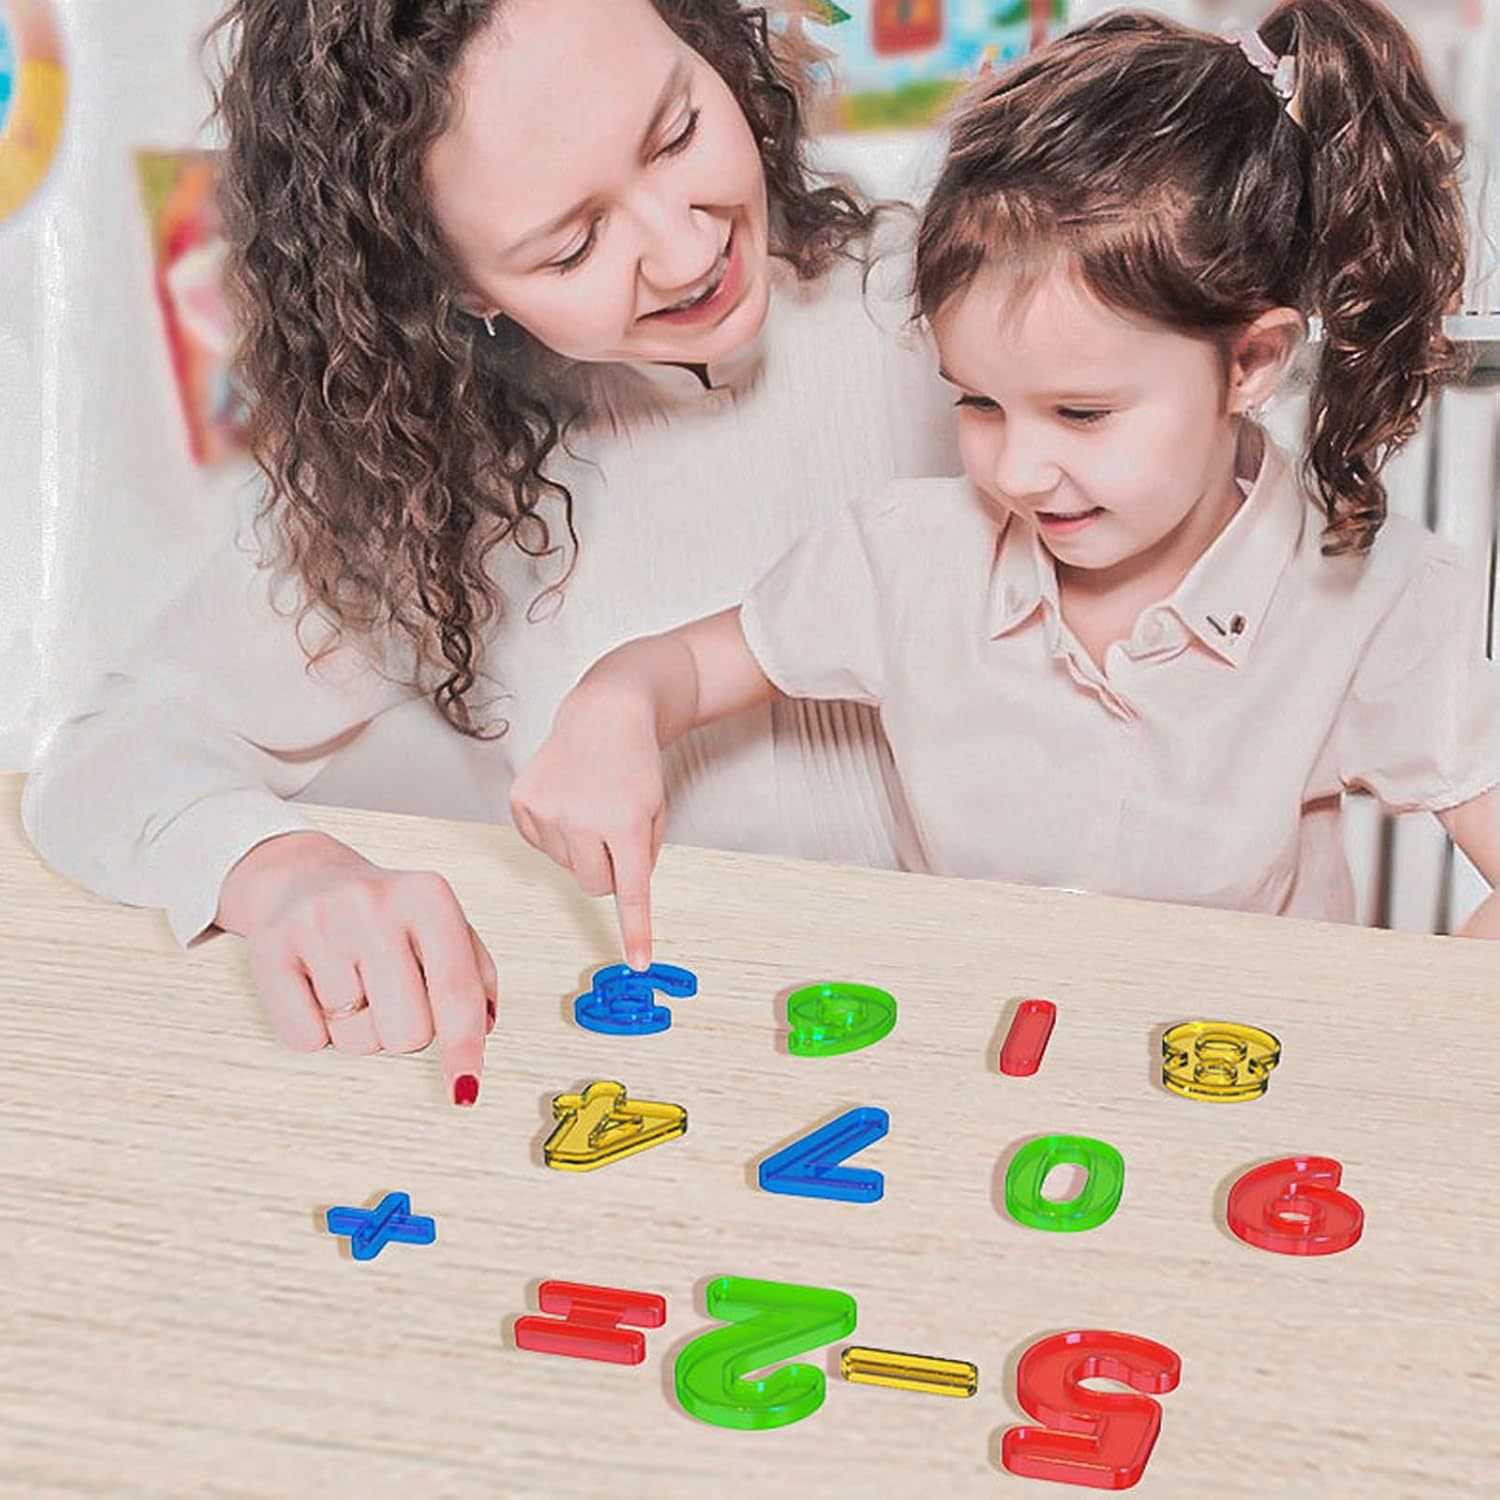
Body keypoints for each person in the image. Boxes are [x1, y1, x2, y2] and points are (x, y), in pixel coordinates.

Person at [20, 0, 959, 1104]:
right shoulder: (435, 484)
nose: (686, 244)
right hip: (711, 1081)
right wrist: (285, 875)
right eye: (572, 246)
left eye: (677, 132)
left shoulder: (951, 306)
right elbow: (108, 758)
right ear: (456, 288)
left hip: (1035, 1024)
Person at [511, 0, 1500, 968]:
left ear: (1250, 364)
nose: (1019, 471)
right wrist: (611, 712)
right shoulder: (905, 561)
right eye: (979, 403)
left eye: (1082, 413)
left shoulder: (1368, 600)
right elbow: (678, 673)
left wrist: (1422, 1036)